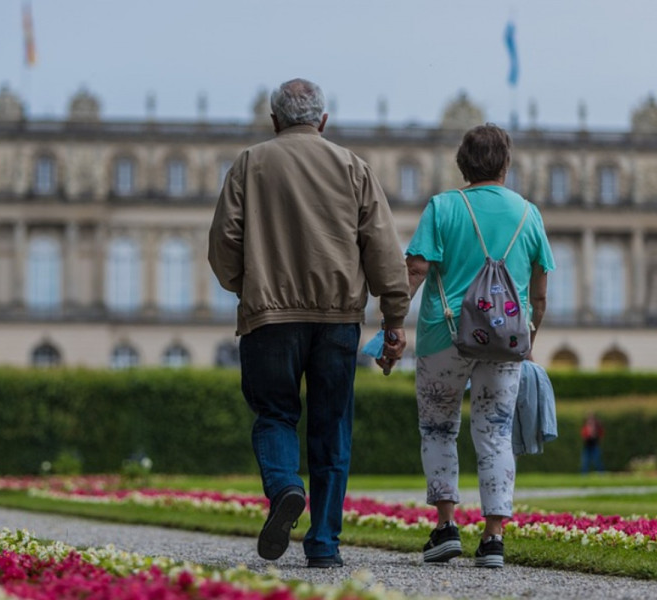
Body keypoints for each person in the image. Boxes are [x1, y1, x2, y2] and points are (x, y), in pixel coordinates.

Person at [208, 78, 410, 569]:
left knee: (275, 414)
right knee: (331, 426)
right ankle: (323, 543)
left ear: (274, 120)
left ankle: (283, 488)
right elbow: (383, 249)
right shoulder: (352, 166)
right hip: (337, 318)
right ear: (323, 120)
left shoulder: (250, 164)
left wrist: (248, 286)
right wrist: (395, 318)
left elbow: (223, 244)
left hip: (269, 318)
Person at [402, 124, 554, 569]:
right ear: (506, 164)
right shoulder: (529, 214)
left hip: (443, 337)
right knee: (495, 433)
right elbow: (541, 295)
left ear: (462, 165)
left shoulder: (443, 207)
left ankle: (446, 528)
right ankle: (492, 539)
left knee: (437, 429)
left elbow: (414, 270)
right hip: (506, 342)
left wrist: (392, 323)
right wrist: (527, 341)